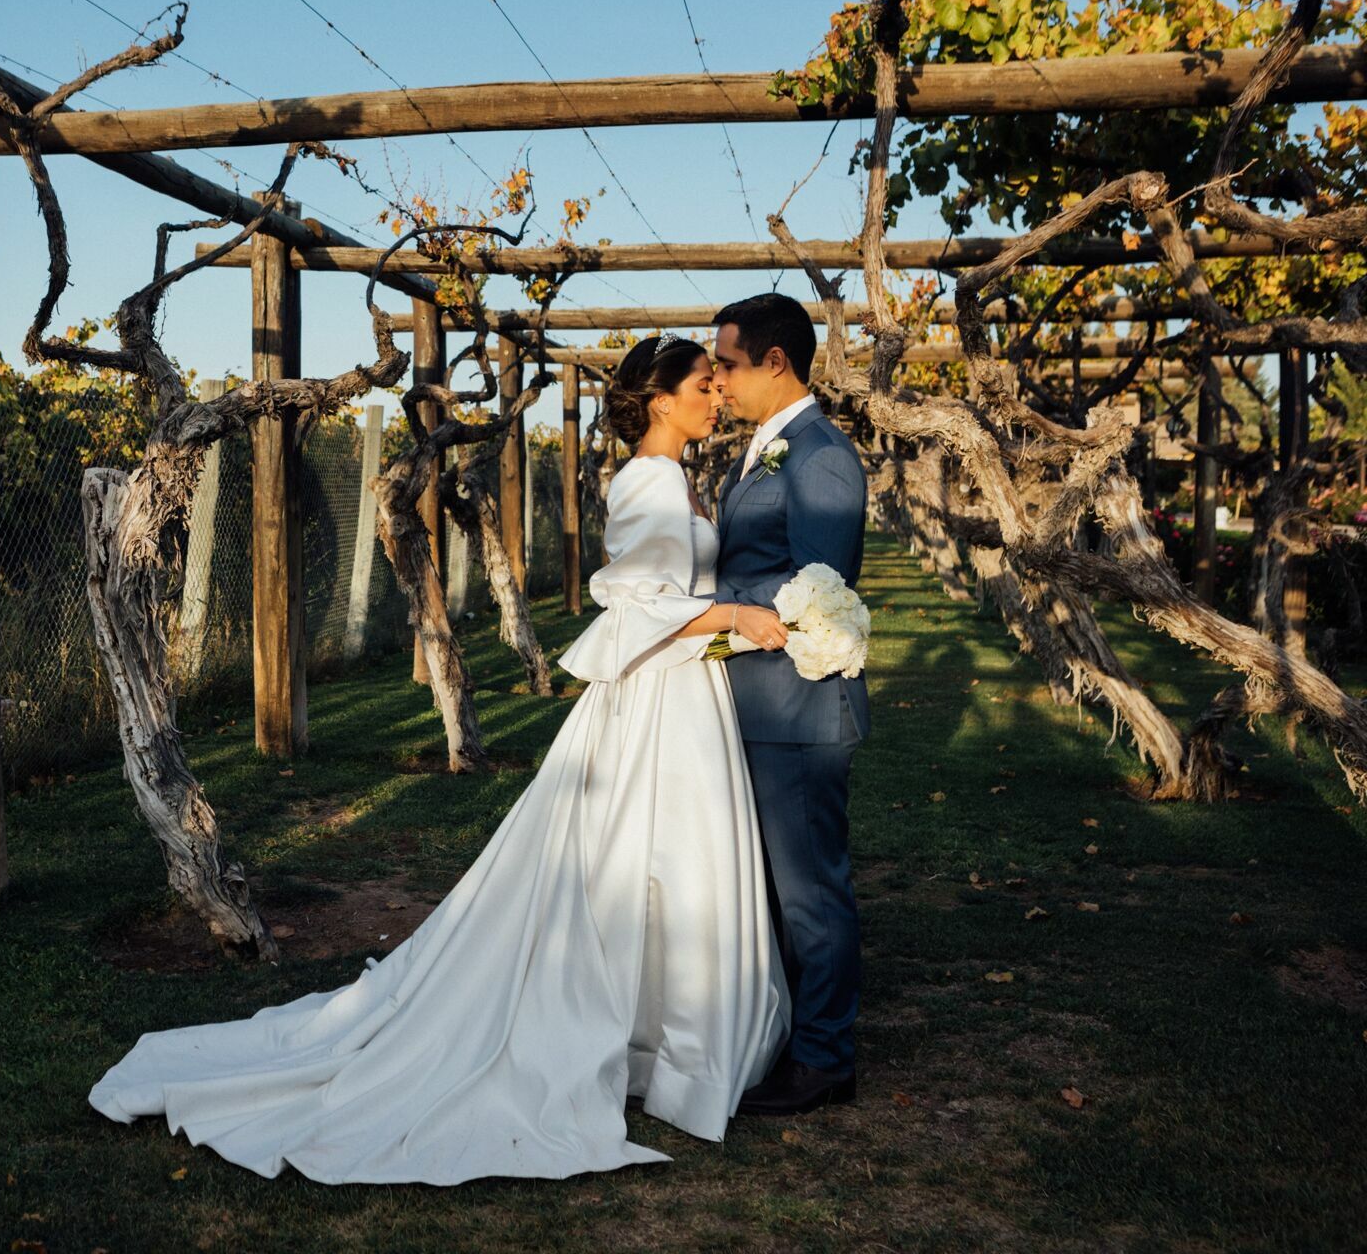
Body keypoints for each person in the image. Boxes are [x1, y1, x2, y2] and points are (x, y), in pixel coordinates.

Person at [88, 334, 790, 1184]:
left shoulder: (676, 476)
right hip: (658, 698)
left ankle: (665, 1041)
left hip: (684, 689)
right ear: (661, 400)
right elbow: (636, 603)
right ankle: (663, 1046)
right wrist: (737, 617)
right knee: (655, 857)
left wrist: (728, 620)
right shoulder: (651, 480)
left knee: (667, 861)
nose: (717, 395)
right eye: (704, 384)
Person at [708, 292, 870, 1115]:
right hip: (762, 703)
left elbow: (816, 590)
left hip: (799, 706)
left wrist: (702, 619)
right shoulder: (770, 449)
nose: (717, 381)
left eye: (727, 364)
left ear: (776, 361)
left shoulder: (820, 457)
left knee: (810, 890)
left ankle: (825, 1061)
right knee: (774, 889)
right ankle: (788, 1036)